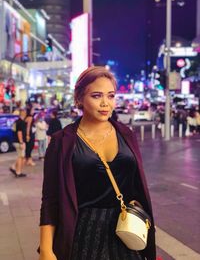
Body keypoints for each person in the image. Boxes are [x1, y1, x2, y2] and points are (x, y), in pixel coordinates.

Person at [38, 66, 156, 260]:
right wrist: (46, 249)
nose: (105, 103)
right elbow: (50, 198)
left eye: (110, 96)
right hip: (83, 234)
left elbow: (137, 185)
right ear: (79, 99)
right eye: (96, 96)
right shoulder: (62, 141)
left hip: (125, 232)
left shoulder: (126, 134)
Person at [9, 108, 27, 177]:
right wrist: (21, 142)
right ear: (23, 114)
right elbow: (19, 132)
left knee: (21, 156)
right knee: (20, 157)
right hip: (19, 142)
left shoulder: (16, 121)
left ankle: (13, 167)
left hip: (16, 141)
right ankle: (18, 172)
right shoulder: (21, 122)